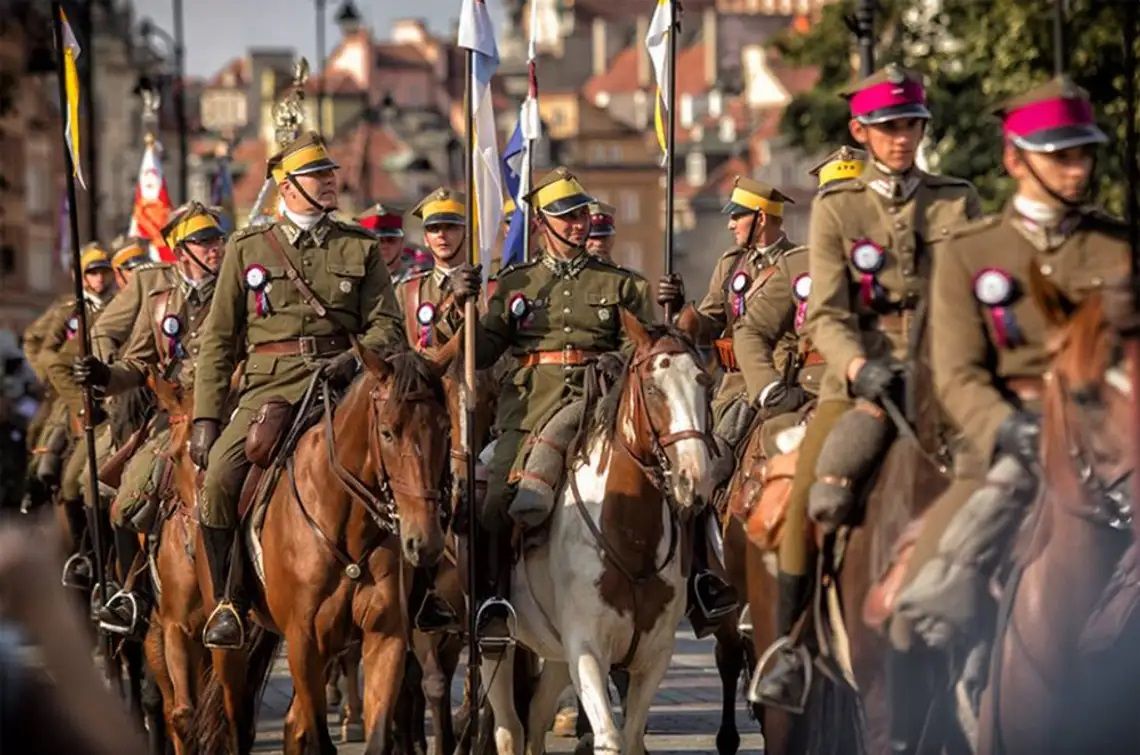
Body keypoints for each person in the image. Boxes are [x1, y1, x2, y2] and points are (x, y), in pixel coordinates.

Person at [892, 78, 1127, 731]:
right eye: (1060, 155)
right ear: (1015, 159)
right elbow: (959, 372)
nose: (1077, 169)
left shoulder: (1119, 248)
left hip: (1113, 440)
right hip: (1010, 446)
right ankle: (912, 737)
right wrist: (1010, 428)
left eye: (1084, 154)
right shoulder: (972, 251)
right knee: (912, 607)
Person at [750, 64, 982, 714]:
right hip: (862, 386)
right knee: (809, 493)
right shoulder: (837, 207)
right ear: (862, 130)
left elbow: (981, 293)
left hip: (949, 379)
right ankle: (790, 649)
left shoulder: (956, 200)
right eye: (887, 127)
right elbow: (824, 312)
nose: (901, 137)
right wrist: (859, 368)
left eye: (910, 125)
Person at [189, 131, 405, 649]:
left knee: (415, 466)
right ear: (286, 187)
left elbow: (387, 327)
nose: (329, 182)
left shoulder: (358, 246)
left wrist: (351, 360)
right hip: (272, 390)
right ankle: (230, 601)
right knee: (218, 479)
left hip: (347, 386)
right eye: (316, 176)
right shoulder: (247, 250)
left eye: (330, 175)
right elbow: (220, 340)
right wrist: (205, 418)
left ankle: (419, 596)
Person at [448, 167, 655, 648]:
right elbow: (483, 350)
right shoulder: (518, 282)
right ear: (542, 223)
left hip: (601, 405)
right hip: (530, 409)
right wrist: (460, 308)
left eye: (581, 212)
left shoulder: (621, 284)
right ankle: (493, 600)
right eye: (566, 214)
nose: (578, 222)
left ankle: (678, 586)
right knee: (495, 500)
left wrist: (618, 358)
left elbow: (645, 349)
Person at [72, 202, 228, 636]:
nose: (213, 249)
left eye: (216, 240)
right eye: (202, 242)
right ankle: (133, 593)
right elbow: (136, 361)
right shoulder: (160, 298)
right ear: (182, 251)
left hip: (228, 411)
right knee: (125, 502)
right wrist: (104, 375)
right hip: (173, 417)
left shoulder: (235, 288)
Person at [657, 176, 802, 627]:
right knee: (703, 476)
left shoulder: (799, 265)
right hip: (736, 389)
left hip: (785, 384)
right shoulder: (731, 265)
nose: (731, 226)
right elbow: (708, 320)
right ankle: (704, 575)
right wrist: (682, 310)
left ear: (761, 219)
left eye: (738, 217)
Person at [733, 147, 867, 449]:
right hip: (810, 397)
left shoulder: (899, 259)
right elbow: (750, 330)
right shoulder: (797, 265)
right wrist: (769, 388)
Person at [357, 203, 424, 285]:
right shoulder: (355, 281)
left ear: (402, 243)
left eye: (391, 240)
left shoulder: (417, 280)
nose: (384, 246)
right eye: (376, 241)